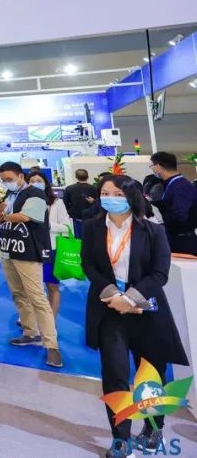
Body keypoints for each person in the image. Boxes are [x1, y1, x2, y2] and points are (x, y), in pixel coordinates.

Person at [82, 175, 189, 458]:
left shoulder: (153, 230)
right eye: (105, 192)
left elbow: (159, 273)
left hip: (147, 310)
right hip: (108, 309)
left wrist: (129, 299)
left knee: (150, 375)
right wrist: (113, 295)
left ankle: (153, 429)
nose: (110, 198)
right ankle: (120, 440)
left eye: (118, 193)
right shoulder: (92, 228)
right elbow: (88, 265)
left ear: (132, 197)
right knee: (114, 374)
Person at [0, 162, 63, 369]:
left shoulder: (36, 194)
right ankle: (30, 332)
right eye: (3, 180)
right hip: (8, 250)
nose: (6, 183)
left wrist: (4, 214)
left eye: (9, 179)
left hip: (29, 251)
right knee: (18, 294)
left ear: (20, 176)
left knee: (37, 297)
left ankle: (52, 345)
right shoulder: (8, 195)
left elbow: (25, 217)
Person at [28, 170, 73, 316]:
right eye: (32, 181)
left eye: (38, 181)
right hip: (28, 250)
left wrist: (47, 225)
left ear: (46, 183)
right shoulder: (23, 201)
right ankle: (29, 317)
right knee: (30, 287)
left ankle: (51, 320)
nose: (35, 184)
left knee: (52, 286)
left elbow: (67, 227)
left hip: (49, 250)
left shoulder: (56, 202)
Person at [148, 151, 197, 255]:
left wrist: (161, 212)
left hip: (183, 242)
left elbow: (180, 217)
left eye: (151, 166)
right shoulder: (173, 183)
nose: (151, 169)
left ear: (158, 166)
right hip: (177, 239)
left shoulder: (180, 186)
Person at [63, 169, 97, 238]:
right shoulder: (94, 189)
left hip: (74, 218)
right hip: (91, 219)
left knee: (77, 238)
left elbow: (65, 204)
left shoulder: (69, 188)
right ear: (88, 177)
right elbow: (98, 203)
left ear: (76, 177)